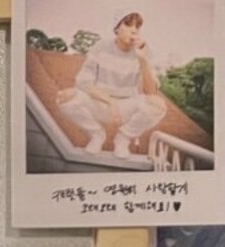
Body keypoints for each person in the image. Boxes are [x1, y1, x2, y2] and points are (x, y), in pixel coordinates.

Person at [57, 11, 168, 161]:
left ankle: (123, 138)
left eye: (137, 27)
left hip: (127, 107)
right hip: (100, 102)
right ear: (117, 28)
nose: (134, 30)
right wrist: (110, 103)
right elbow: (83, 82)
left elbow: (151, 92)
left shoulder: (143, 52)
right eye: (128, 25)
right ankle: (96, 133)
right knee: (65, 97)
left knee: (158, 105)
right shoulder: (101, 47)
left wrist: (143, 60)